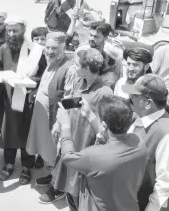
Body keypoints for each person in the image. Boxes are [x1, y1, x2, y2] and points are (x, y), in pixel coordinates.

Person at [56, 96, 147, 211]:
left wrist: (65, 125)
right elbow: (112, 137)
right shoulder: (138, 143)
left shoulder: (94, 156)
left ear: (104, 125)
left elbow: (67, 157)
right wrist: (89, 114)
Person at [48, 49, 113, 209]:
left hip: (86, 146)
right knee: (69, 189)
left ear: (87, 68)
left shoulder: (104, 92)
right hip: (72, 141)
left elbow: (105, 130)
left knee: (79, 193)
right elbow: (69, 104)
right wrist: (59, 124)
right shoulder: (80, 81)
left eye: (76, 64)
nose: (73, 67)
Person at [0, 19, 46, 185]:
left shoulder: (35, 50)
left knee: (26, 133)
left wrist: (31, 80)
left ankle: (26, 167)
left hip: (29, 99)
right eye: (9, 31)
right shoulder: (3, 48)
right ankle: (9, 163)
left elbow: (44, 75)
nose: (11, 34)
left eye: (15, 31)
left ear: (23, 29)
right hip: (9, 99)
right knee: (9, 131)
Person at [25, 32, 72, 196]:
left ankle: (58, 188)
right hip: (41, 115)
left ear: (64, 48)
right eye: (48, 47)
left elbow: (68, 98)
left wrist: (60, 123)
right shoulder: (51, 61)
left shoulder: (68, 67)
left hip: (54, 118)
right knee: (46, 151)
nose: (50, 51)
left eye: (54, 48)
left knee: (54, 151)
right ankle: (52, 176)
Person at [122, 74, 169, 211]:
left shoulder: (164, 133)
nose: (129, 99)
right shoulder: (138, 117)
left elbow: (164, 184)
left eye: (134, 96)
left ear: (148, 103)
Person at [87, 21, 123, 89]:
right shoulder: (81, 53)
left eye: (96, 36)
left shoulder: (112, 62)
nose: (91, 39)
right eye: (90, 35)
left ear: (105, 38)